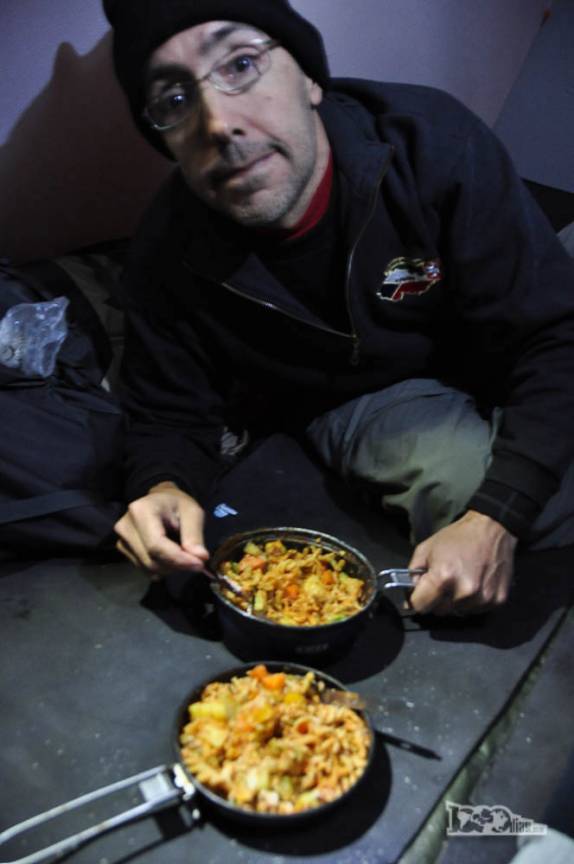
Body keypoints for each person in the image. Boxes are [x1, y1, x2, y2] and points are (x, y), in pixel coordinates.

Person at [103, 0, 574, 616]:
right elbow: (167, 412)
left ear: (308, 77)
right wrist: (161, 487)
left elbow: (553, 327)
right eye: (174, 100)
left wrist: (497, 521)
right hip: (364, 397)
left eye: (240, 64)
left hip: (493, 333)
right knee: (510, 497)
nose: (218, 123)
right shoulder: (165, 253)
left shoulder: (433, 140)